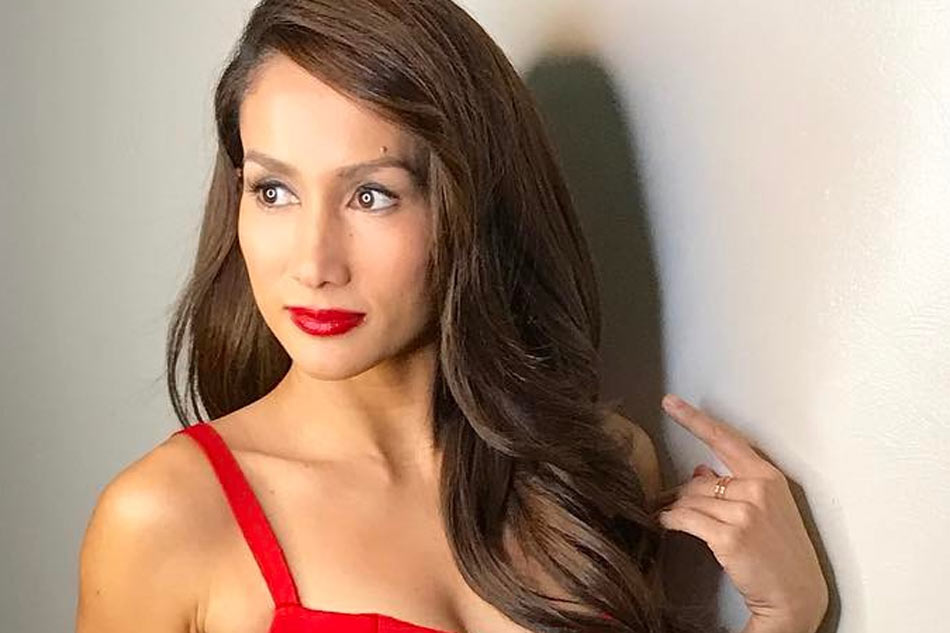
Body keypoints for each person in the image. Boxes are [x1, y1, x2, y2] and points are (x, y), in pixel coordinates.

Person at [75, 1, 828, 632]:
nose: (314, 262)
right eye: (274, 191)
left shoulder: (593, 471)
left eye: (371, 195)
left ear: (469, 206)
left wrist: (785, 612)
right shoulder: (165, 519)